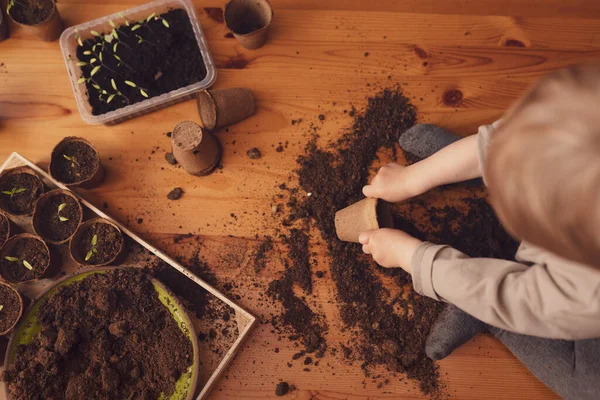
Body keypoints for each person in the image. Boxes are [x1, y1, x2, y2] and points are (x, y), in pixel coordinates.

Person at [358, 64, 600, 400]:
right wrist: (417, 176)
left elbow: (518, 298)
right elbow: (536, 135)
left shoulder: (586, 295)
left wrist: (411, 257)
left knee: (586, 388)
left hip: (573, 311)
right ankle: (469, 170)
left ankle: (485, 315)